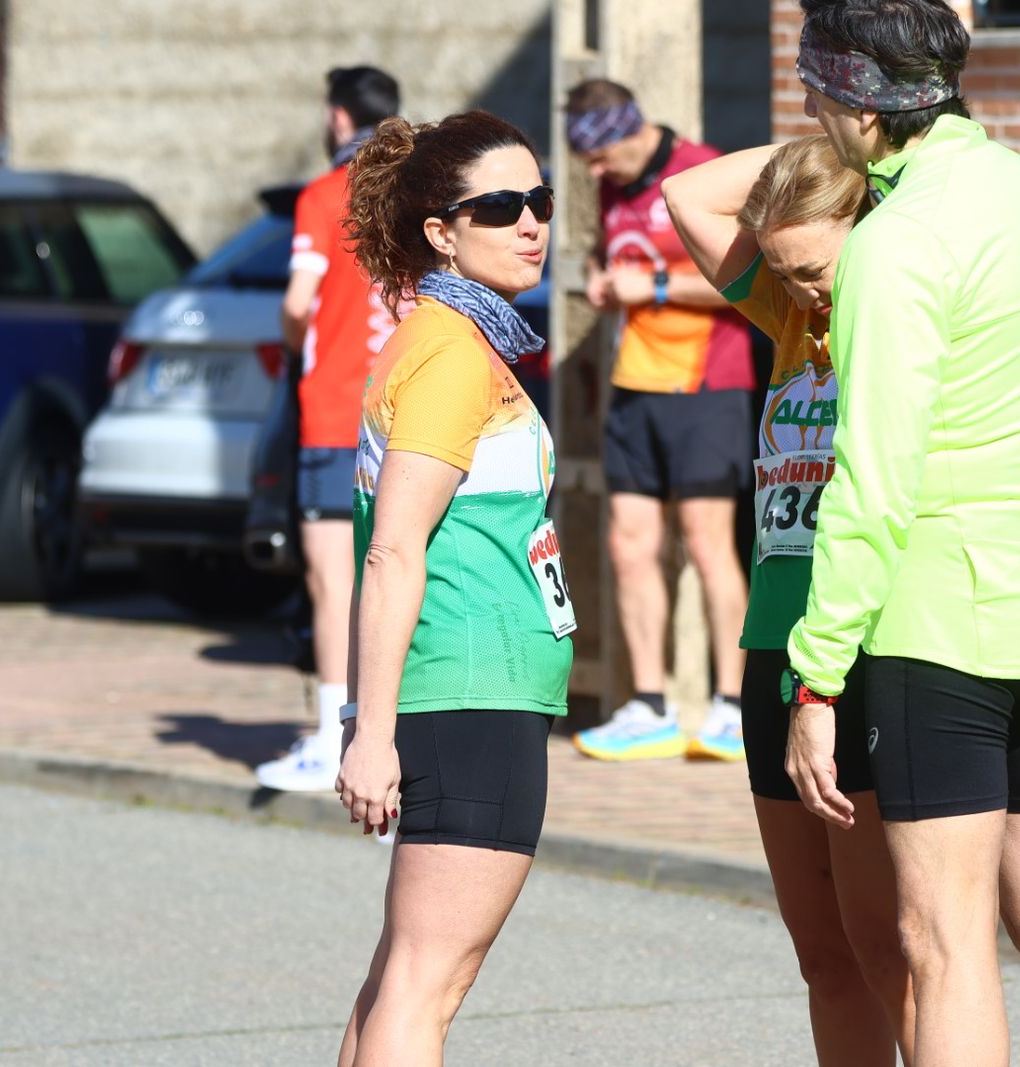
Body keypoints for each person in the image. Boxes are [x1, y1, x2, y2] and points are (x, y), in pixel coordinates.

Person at [783, 2, 1020, 1066]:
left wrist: (815, 678)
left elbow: (873, 480)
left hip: (944, 625)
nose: (810, 108)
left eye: (818, 91)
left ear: (862, 106)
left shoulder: (895, 241)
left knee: (943, 944)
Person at [665, 137, 916, 1065]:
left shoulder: (895, 310)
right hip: (773, 638)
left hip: (857, 642)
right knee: (823, 953)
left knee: (887, 947)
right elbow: (687, 194)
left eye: (813, 267)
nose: (802, 289)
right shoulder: (790, 315)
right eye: (782, 270)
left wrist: (865, 141)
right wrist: (828, 137)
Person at [332, 109, 572, 1067]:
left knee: (403, 977)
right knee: (426, 982)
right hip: (472, 690)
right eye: (502, 207)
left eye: (540, 200)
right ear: (441, 232)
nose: (531, 223)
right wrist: (370, 729)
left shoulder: (451, 339)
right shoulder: (449, 354)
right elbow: (392, 551)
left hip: (469, 688)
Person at [563, 79, 755, 762]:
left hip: (707, 382)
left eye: (597, 156)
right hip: (634, 383)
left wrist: (658, 286)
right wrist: (600, 275)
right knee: (629, 545)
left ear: (627, 130)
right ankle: (649, 705)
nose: (593, 173)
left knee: (707, 543)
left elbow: (749, 276)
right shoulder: (613, 186)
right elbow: (611, 250)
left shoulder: (701, 171)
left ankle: (733, 706)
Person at [258, 65, 401, 792]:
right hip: (410, 408)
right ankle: (399, 730)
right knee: (405, 565)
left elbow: (297, 302)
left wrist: (297, 345)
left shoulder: (323, 195)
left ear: (340, 118)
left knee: (332, 576)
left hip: (336, 408)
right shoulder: (417, 190)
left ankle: (332, 736)